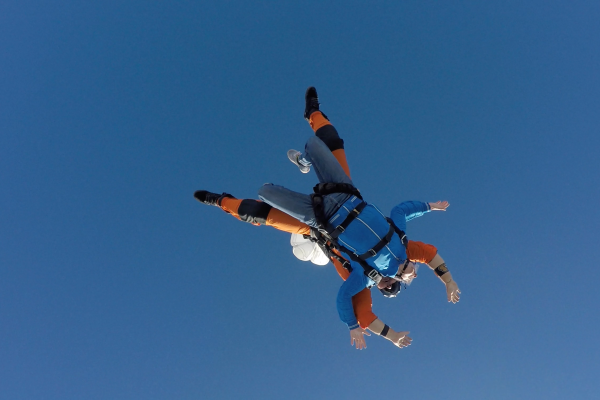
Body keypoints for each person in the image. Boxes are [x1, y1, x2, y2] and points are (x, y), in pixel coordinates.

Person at [194, 87, 460, 349]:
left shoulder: (366, 277)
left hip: (320, 224)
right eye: (395, 283)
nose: (389, 282)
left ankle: (221, 201)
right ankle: (312, 117)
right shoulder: (403, 248)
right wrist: (447, 277)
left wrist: (375, 332)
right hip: (346, 193)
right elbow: (425, 247)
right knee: (324, 142)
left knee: (262, 200)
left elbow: (359, 310)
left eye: (387, 286)